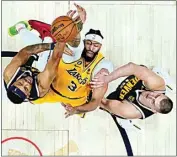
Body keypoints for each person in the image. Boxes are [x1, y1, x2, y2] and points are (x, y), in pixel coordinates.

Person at [7, 3, 114, 118]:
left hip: (55, 83)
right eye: (26, 88)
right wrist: (73, 27)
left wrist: (63, 34)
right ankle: (45, 35)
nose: (26, 82)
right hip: (55, 91)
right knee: (54, 53)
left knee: (46, 52)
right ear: (28, 94)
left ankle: (22, 28)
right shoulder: (41, 87)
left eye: (20, 83)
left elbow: (26, 52)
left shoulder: (10, 73)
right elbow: (93, 103)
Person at [90, 62, 173, 119]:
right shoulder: (158, 84)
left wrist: (93, 84)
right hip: (141, 84)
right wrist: (106, 78)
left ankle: (123, 119)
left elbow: (102, 103)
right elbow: (132, 67)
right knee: (141, 69)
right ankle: (157, 75)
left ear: (154, 110)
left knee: (110, 105)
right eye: (156, 96)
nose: (151, 96)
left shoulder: (131, 111)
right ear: (162, 94)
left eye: (152, 102)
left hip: (123, 101)